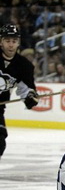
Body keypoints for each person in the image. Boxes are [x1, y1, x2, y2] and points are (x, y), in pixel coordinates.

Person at [0, 24, 39, 160]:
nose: (11, 45)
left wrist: (30, 98)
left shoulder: (24, 66)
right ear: (1, 42)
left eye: (14, 41)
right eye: (7, 41)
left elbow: (28, 90)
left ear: (18, 43)